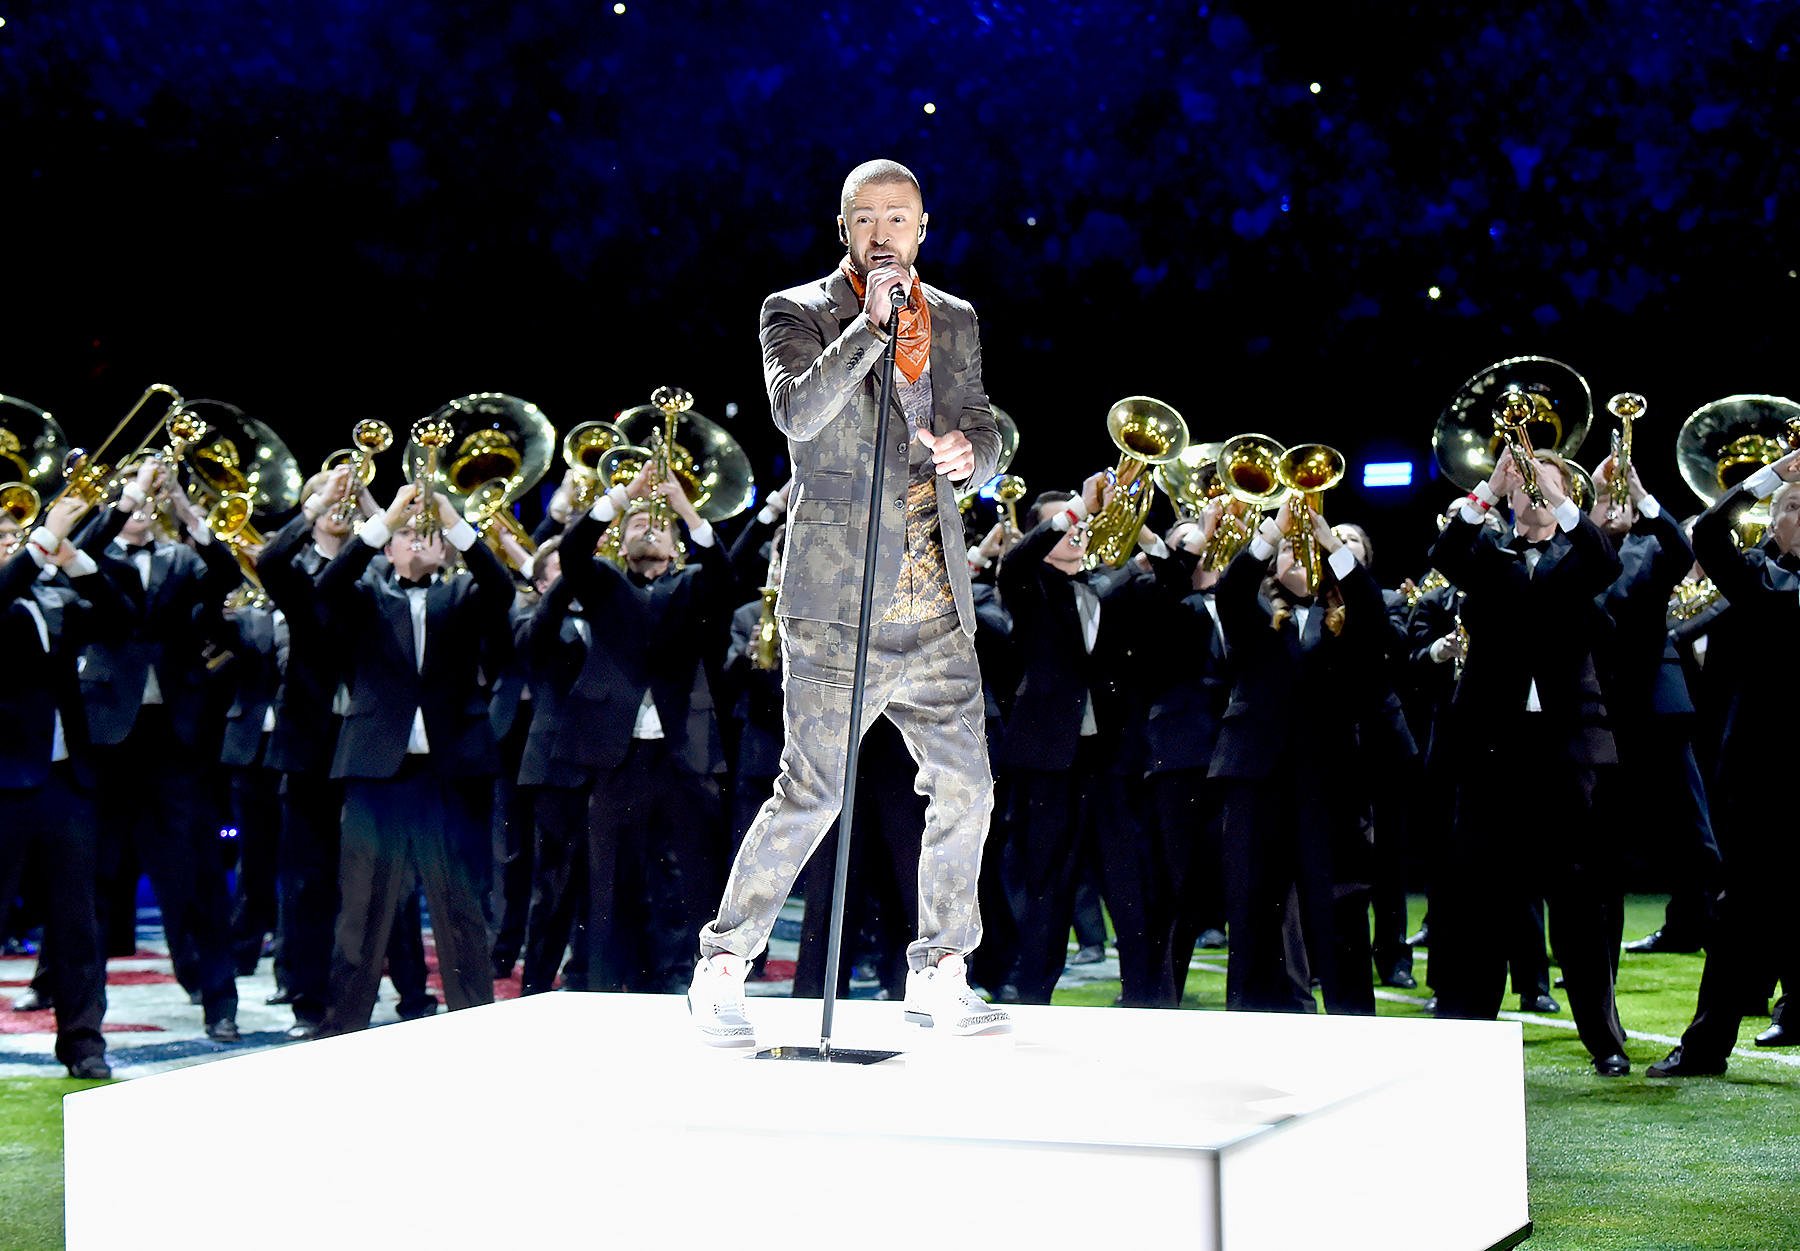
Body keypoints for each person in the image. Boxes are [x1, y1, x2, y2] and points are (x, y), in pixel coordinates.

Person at [689, 157, 1006, 1046]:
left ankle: (941, 970)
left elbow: (983, 422)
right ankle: (722, 963)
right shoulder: (793, 311)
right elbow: (796, 411)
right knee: (812, 794)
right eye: (864, 220)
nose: (881, 235)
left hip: (933, 601)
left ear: (922, 228)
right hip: (837, 606)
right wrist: (869, 327)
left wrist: (969, 456)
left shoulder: (956, 318)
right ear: (844, 231)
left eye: (897, 220)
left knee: (967, 786)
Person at [1426, 447, 1631, 1075]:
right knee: (1479, 897)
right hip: (1492, 752)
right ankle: (1467, 1033)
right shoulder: (1487, 554)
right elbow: (1446, 553)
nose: (1531, 492)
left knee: (1577, 901)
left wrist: (1561, 493)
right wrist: (1492, 485)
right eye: (1525, 484)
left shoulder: (1579, 557)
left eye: (1540, 484)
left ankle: (1605, 1041)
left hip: (1564, 755)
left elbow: (1602, 560)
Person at [315, 483, 512, 1034]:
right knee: (361, 911)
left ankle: (473, 1025)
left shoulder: (466, 596)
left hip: (452, 773)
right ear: (389, 549)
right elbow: (328, 585)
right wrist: (385, 520)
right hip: (379, 772)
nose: (418, 543)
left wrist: (452, 518)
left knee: (463, 909)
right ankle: (340, 1029)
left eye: (429, 537)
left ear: (446, 548)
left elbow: (501, 588)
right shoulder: (367, 598)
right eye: (406, 536)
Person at [77, 459, 246, 1041]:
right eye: (139, 491)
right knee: (96, 880)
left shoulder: (180, 556)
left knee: (200, 875)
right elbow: (75, 550)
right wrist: (120, 503)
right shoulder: (95, 548)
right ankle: (83, 1018)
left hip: (176, 739)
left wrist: (183, 506)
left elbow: (227, 574)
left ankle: (219, 1004)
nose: (145, 501)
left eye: (153, 494)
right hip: (108, 738)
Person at [1209, 498, 1394, 1016]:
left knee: (1339, 908)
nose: (1298, 555)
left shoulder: (1348, 619)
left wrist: (1329, 540)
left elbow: (1372, 605)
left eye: (1305, 549)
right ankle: (1251, 1020)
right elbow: (1229, 587)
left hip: (1329, 781)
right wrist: (1273, 533)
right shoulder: (1253, 613)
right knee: (1251, 910)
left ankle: (1353, 1022)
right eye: (1289, 551)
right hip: (1256, 778)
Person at [1649, 449, 1800, 1076]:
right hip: (1767, 773)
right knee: (1741, 910)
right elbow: (1710, 533)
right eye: (1793, 507)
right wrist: (1775, 475)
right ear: (1772, 523)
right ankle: (1707, 1045)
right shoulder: (1762, 575)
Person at [0, 492, 128, 1077]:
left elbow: (120, 619)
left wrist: (77, 559)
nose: (9, 541)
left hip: (66, 780)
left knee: (78, 922)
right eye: (1, 536)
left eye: (12, 533)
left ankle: (84, 1044)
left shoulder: (52, 596)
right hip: (4, 783)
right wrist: (41, 541)